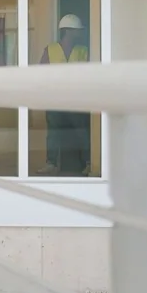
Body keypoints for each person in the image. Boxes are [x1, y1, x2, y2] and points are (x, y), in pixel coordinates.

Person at [39, 14, 90, 175]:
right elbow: (41, 72)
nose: (80, 33)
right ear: (68, 31)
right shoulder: (50, 49)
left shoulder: (84, 50)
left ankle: (88, 162)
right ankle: (51, 164)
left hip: (77, 100)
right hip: (55, 99)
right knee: (54, 133)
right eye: (77, 30)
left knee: (82, 132)